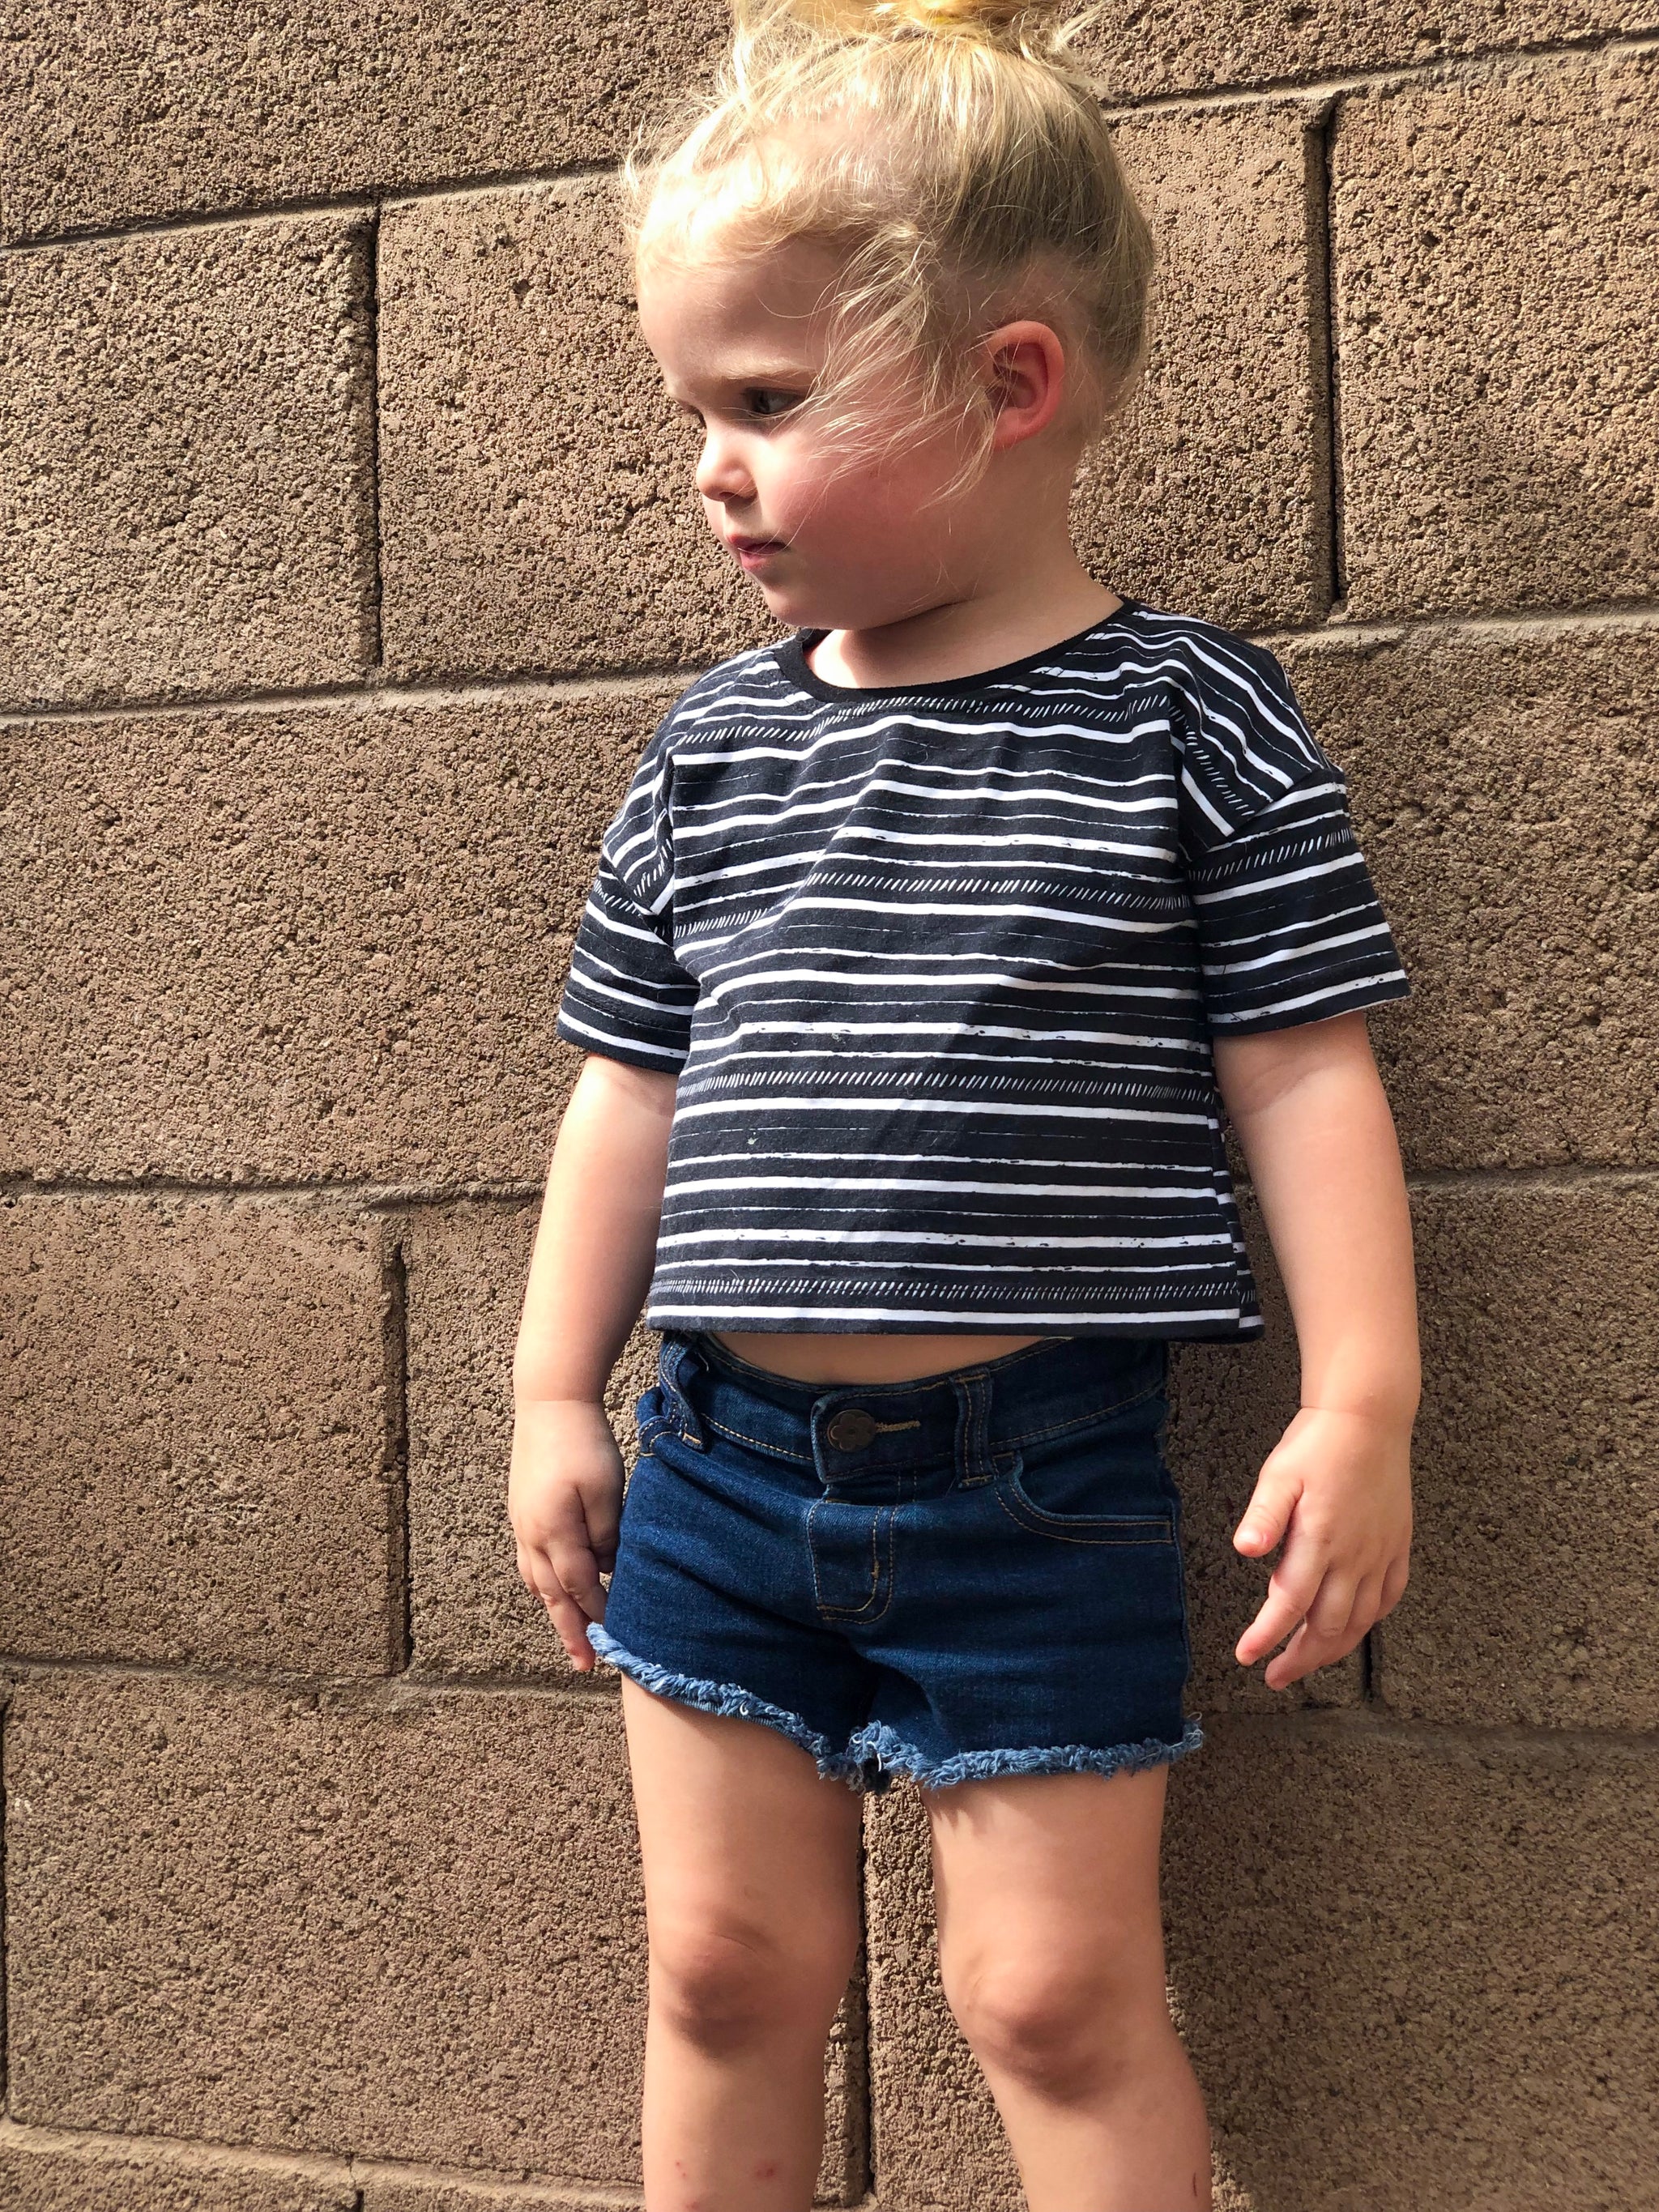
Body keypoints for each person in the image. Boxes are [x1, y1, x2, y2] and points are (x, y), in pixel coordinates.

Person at [508, 2, 1418, 2204]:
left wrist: (1363, 1397)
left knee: (1050, 1997)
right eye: (690, 409)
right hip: (715, 1468)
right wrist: (550, 1389)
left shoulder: (1186, 721)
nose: (709, 464)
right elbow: (628, 1088)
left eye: (765, 401)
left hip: (1037, 1481)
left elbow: (1305, 1066)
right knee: (722, 1969)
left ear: (1011, 383)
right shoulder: (710, 750)